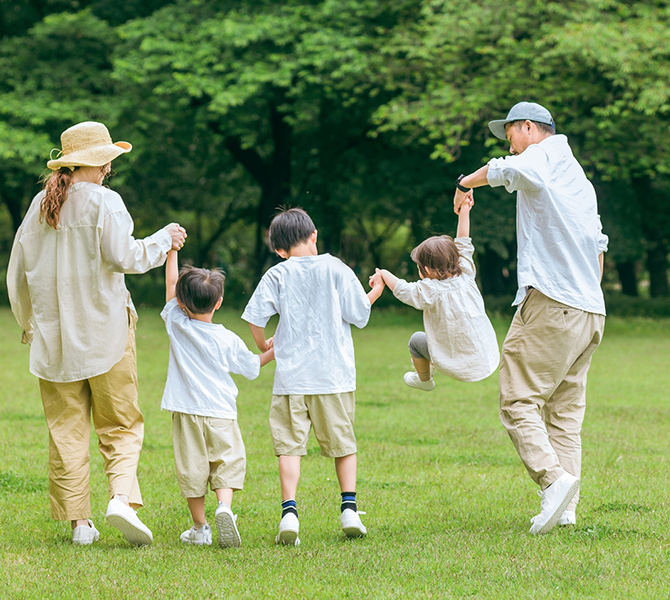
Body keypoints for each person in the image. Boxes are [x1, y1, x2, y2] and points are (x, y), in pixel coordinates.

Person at [6, 121, 186, 546]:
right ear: (102, 161)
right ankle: (120, 500)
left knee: (65, 429)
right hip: (107, 334)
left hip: (54, 342)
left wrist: (27, 323)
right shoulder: (106, 202)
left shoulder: (40, 205)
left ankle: (80, 524)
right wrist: (164, 239)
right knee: (121, 424)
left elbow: (17, 274)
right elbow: (126, 256)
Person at [453, 102, 607, 535]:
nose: (510, 146)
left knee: (518, 399)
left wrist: (466, 183)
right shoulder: (580, 179)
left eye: (510, 137)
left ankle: (554, 482)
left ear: (527, 127)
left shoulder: (543, 154)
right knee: (564, 413)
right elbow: (599, 248)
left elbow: (509, 171)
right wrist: (585, 293)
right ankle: (568, 507)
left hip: (552, 304)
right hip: (590, 311)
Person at [241, 208, 385, 546]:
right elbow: (359, 314)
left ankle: (289, 513)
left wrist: (264, 345)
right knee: (342, 444)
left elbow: (255, 318)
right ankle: (349, 508)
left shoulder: (277, 274)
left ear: (278, 249)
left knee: (289, 447)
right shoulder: (336, 267)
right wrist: (376, 290)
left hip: (291, 378)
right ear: (314, 234)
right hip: (333, 376)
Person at [160, 248, 274, 548]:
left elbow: (172, 285)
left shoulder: (177, 324)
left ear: (180, 303)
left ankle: (200, 529)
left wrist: (172, 251)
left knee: (192, 469)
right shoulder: (227, 338)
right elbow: (251, 368)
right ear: (219, 302)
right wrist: (272, 351)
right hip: (221, 412)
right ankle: (225, 507)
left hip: (186, 411)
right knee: (226, 463)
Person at [370, 196, 499, 391]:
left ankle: (425, 380)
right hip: (485, 357)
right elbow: (463, 241)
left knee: (415, 342)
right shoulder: (466, 271)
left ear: (427, 270)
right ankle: (428, 368)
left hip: (456, 362)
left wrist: (384, 273)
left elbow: (404, 290)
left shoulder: (431, 290)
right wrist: (465, 210)